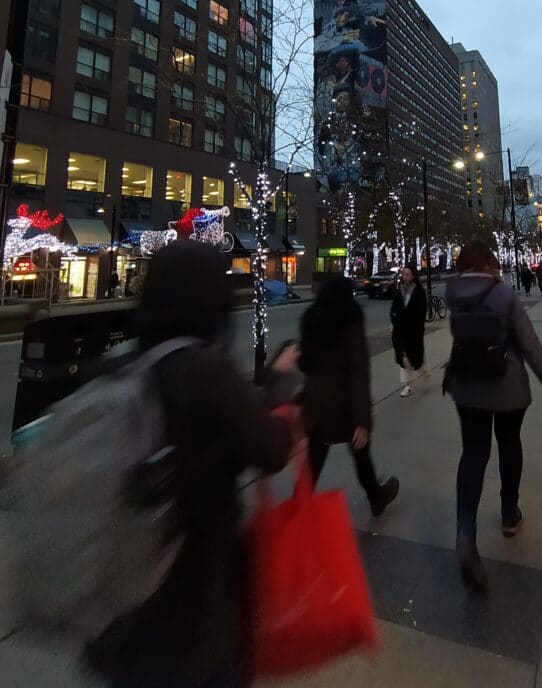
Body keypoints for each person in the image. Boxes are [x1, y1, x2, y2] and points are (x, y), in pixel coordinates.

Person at [87, 239, 297, 688]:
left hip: (120, 594)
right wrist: (279, 381)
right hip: (194, 596)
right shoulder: (204, 369)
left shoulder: (119, 364)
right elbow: (271, 448)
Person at [445, 241, 542, 592]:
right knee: (509, 443)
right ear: (490, 262)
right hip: (507, 386)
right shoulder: (502, 294)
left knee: (473, 453)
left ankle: (465, 535)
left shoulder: (451, 292)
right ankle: (509, 513)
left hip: (466, 385)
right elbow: (529, 343)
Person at [299, 274, 399, 516]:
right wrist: (363, 420)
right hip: (345, 404)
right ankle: (376, 496)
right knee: (361, 456)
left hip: (317, 402)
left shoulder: (311, 318)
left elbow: (305, 363)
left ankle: (298, 510)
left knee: (313, 461)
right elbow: (359, 371)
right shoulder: (352, 319)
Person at [390, 263, 428, 397]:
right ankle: (408, 385)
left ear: (413, 276)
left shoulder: (418, 291)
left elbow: (422, 312)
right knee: (404, 358)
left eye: (407, 274)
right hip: (400, 331)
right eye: (403, 274)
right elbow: (393, 309)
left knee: (414, 357)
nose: (405, 277)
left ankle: (422, 371)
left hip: (414, 331)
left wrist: (416, 325)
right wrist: (395, 319)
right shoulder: (399, 290)